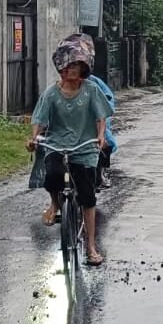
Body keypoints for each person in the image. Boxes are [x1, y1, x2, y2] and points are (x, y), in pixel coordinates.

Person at [27, 34, 112, 266]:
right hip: (57, 143)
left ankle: (91, 246)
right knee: (53, 176)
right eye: (69, 65)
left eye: (77, 65)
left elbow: (101, 116)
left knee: (87, 196)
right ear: (62, 68)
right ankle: (55, 203)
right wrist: (34, 138)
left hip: (84, 147)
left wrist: (100, 136)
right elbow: (40, 119)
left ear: (83, 68)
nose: (72, 69)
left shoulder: (91, 90)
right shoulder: (51, 93)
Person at [87, 71, 118, 189]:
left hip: (96, 118)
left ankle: (100, 173)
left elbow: (107, 102)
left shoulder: (94, 82)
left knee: (106, 141)